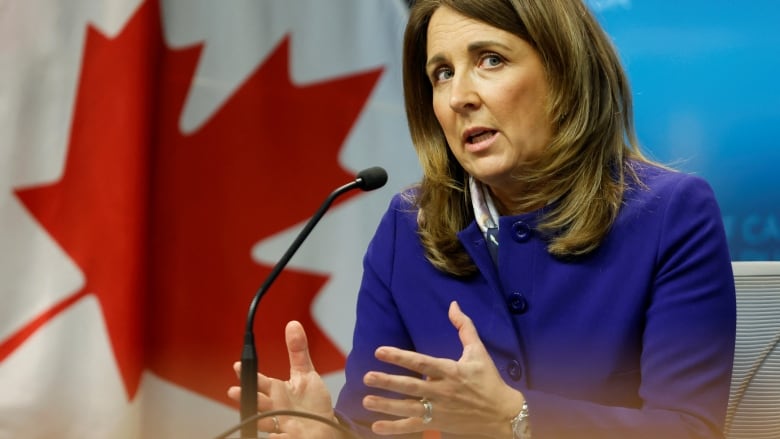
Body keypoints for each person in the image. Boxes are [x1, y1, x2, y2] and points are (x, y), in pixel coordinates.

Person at [228, 0, 736, 437]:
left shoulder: (672, 213)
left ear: (566, 72)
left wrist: (517, 417)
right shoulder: (410, 229)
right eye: (441, 73)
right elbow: (379, 422)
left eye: (490, 60)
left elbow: (690, 428)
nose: (458, 97)